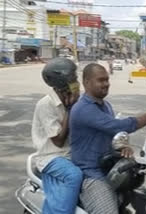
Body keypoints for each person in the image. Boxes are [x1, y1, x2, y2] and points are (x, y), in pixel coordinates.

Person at [69, 63, 146, 214]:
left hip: (111, 168)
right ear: (86, 82)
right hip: (91, 174)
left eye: (107, 80)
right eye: (100, 80)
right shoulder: (83, 109)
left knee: (144, 199)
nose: (105, 84)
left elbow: (111, 133)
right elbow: (121, 126)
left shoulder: (105, 106)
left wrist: (122, 145)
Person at [32, 58, 83, 214]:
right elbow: (59, 141)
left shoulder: (75, 100)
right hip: (51, 156)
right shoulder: (46, 104)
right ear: (62, 83)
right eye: (73, 79)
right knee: (74, 175)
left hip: (70, 153)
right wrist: (69, 109)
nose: (77, 82)